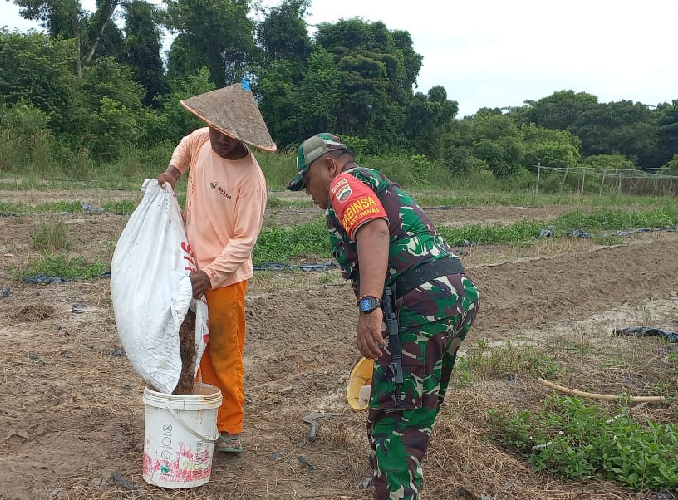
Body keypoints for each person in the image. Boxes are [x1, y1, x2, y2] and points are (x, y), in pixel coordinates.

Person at [286, 133, 480, 500]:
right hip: (453, 297)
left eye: (308, 182)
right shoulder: (376, 182)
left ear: (329, 165)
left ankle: (395, 491)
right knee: (415, 406)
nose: (310, 195)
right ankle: (399, 481)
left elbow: (374, 230)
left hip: (422, 302)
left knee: (395, 418)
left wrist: (368, 307)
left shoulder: (345, 184)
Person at [157, 81, 276, 454]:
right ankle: (196, 408)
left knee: (224, 349)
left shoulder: (250, 179)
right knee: (190, 345)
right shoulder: (201, 140)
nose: (220, 140)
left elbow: (244, 241)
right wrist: (173, 172)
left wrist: (210, 275)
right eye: (216, 130)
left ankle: (230, 427)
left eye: (230, 136)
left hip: (224, 279)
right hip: (189, 268)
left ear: (245, 138)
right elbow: (186, 146)